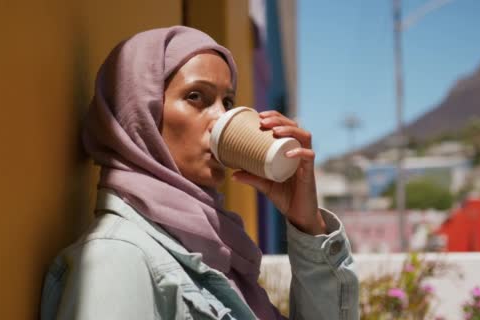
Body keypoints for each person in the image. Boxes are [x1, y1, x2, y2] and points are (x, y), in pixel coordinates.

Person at [40, 26, 358, 320]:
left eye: (228, 101)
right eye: (196, 97)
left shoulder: (215, 251)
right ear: (142, 115)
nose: (221, 117)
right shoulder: (118, 259)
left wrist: (308, 224)